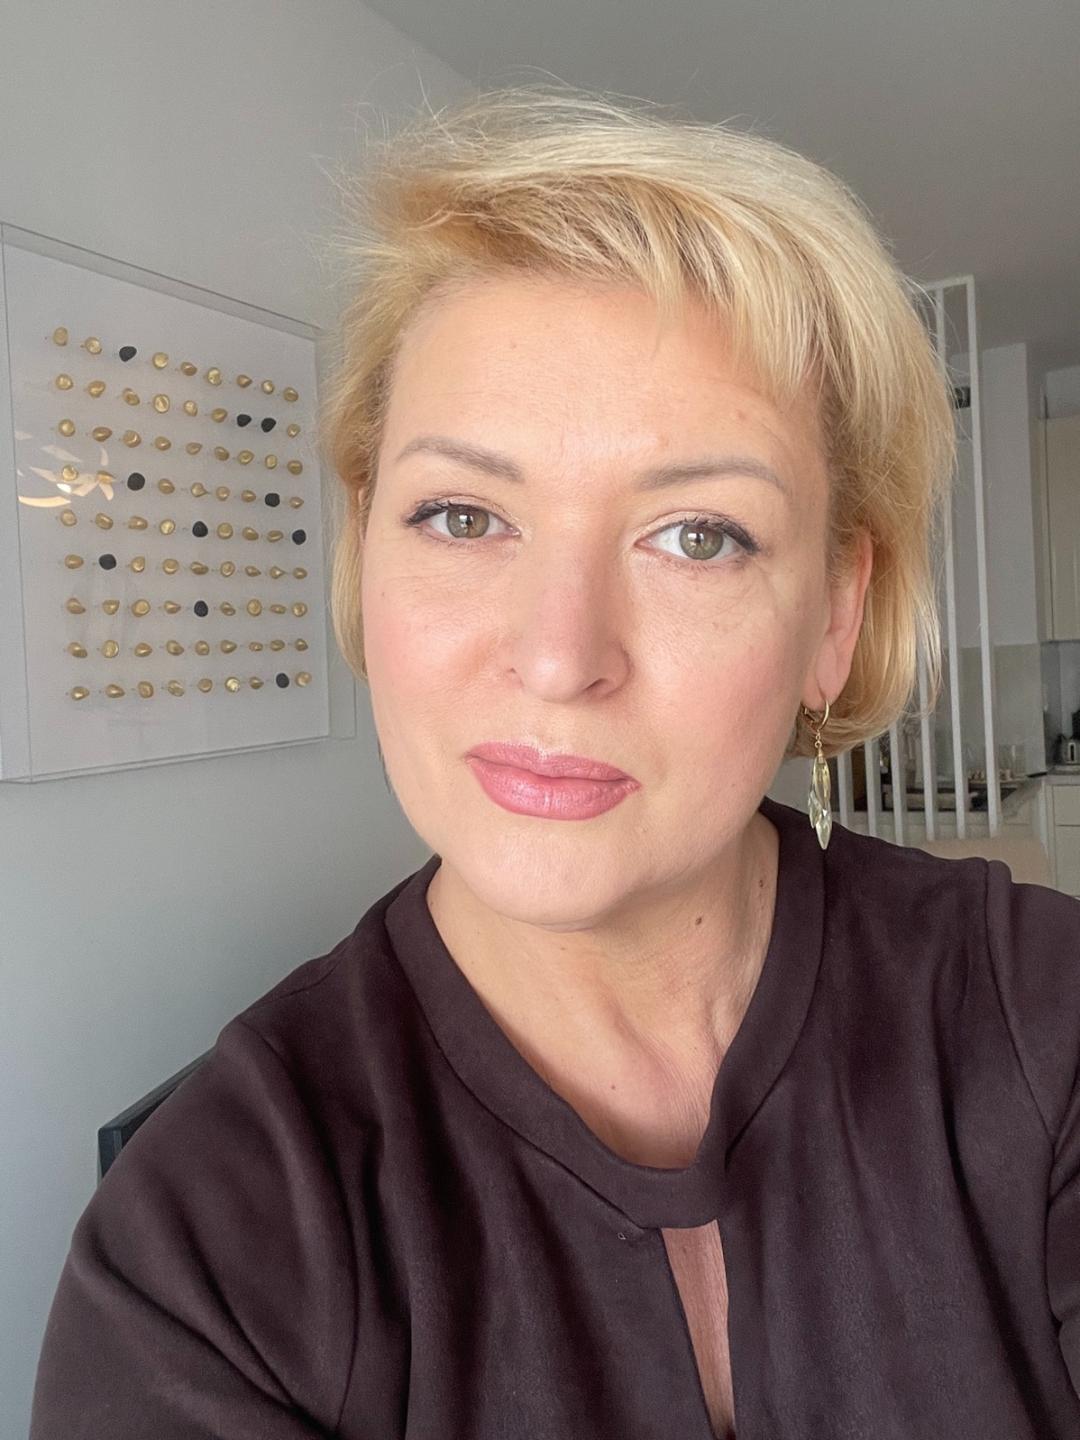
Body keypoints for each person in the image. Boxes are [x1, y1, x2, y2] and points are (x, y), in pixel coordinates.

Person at [30, 85, 1080, 1440]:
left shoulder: (1043, 1022)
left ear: (835, 616)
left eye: (699, 536)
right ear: (364, 557)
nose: (557, 655)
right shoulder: (201, 1250)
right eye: (464, 516)